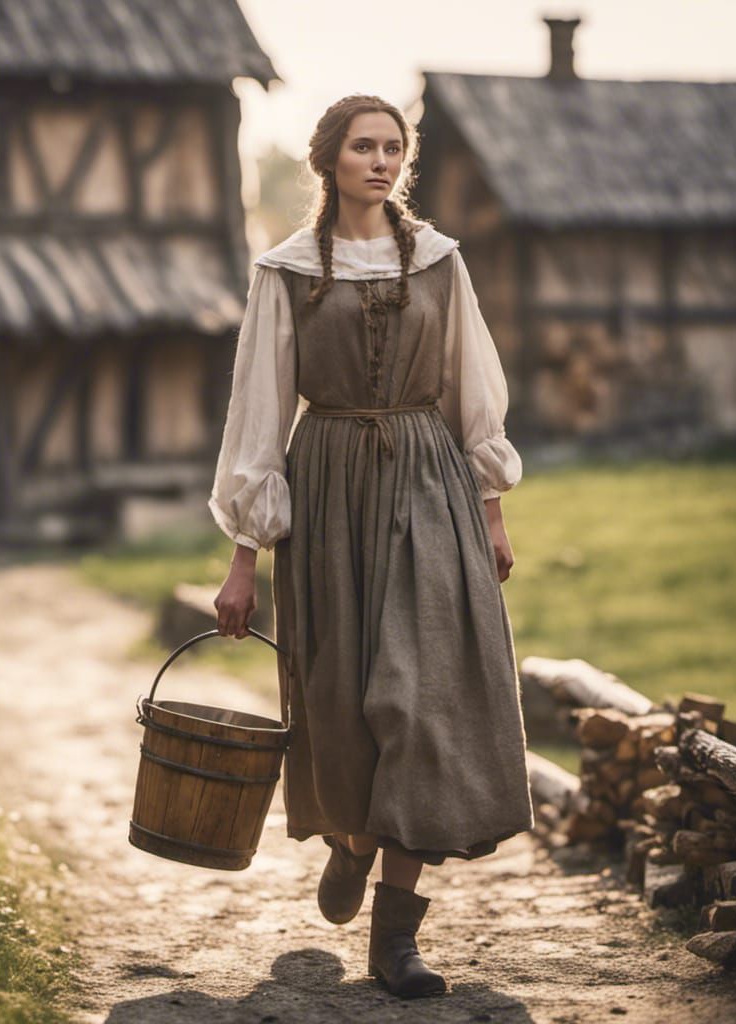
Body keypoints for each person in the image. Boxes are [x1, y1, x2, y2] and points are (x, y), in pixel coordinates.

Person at [209, 94, 535, 1000]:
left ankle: (396, 938)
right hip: (329, 494)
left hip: (430, 484)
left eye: (394, 147)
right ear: (330, 161)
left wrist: (492, 510)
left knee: (421, 700)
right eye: (364, 147)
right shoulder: (285, 272)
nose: (382, 161)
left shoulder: (438, 260)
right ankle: (353, 840)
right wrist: (243, 556)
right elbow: (258, 414)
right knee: (345, 706)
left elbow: (472, 386)